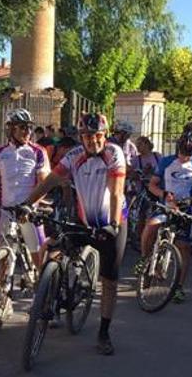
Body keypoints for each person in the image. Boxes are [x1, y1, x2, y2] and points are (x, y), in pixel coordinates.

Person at [23, 113, 126, 356]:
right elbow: (49, 181)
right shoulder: (73, 156)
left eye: (98, 135)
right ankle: (49, 298)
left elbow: (116, 192)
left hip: (112, 222)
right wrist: (27, 203)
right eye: (88, 137)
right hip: (82, 219)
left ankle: (104, 332)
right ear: (81, 138)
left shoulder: (114, 153)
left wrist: (112, 224)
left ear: (105, 135)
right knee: (53, 247)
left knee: (109, 281)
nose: (93, 141)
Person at [141, 130, 192, 302]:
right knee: (150, 227)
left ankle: (179, 287)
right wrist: (163, 194)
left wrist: (190, 200)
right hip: (166, 206)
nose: (185, 157)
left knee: (183, 248)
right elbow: (152, 185)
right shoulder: (166, 162)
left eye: (189, 154)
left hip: (185, 210)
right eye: (183, 153)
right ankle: (145, 261)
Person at [0, 109, 48, 267]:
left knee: (39, 259)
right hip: (6, 211)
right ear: (11, 129)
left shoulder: (38, 152)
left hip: (29, 211)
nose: (28, 131)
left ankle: (41, 286)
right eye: (23, 127)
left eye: (29, 127)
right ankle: (3, 289)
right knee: (3, 256)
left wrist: (30, 205)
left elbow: (44, 184)